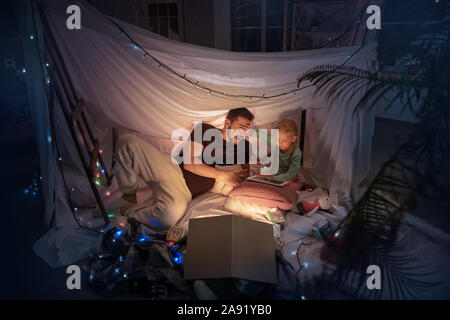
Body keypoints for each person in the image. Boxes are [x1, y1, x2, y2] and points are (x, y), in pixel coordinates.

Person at [111, 108, 254, 228]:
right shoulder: (205, 130)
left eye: (247, 130)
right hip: (173, 169)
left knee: (168, 217)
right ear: (227, 123)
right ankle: (129, 195)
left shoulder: (243, 149)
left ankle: (129, 211)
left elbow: (243, 179)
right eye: (241, 128)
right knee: (127, 142)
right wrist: (223, 176)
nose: (244, 134)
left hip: (185, 191)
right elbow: (190, 163)